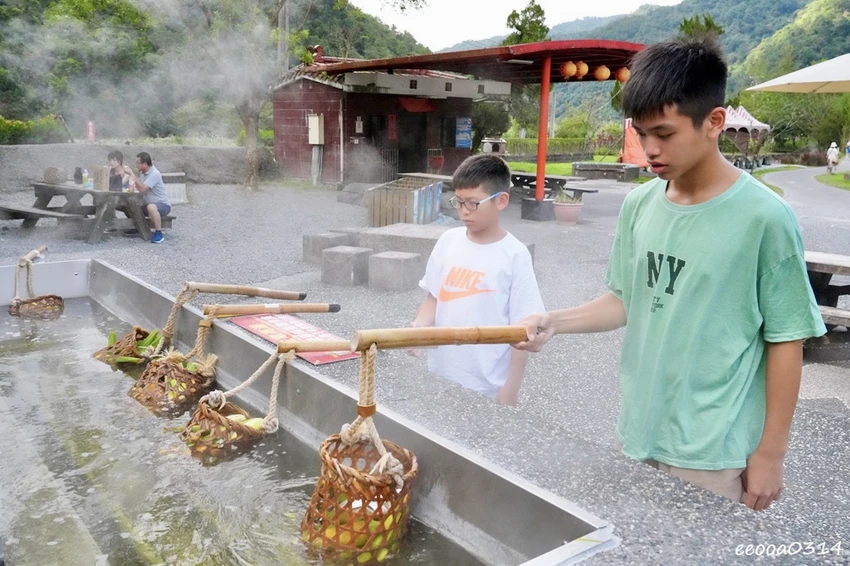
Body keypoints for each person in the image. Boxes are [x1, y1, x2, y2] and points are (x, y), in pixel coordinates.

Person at [515, 38, 826, 510]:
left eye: (664, 133)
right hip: (641, 427)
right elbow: (624, 300)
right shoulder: (640, 204)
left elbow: (787, 338)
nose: (650, 150)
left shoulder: (765, 217)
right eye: (641, 134)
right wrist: (553, 320)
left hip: (711, 447)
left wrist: (770, 454)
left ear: (714, 123)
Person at [411, 154, 544, 406]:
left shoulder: (514, 255)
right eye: (458, 202)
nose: (463, 211)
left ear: (501, 201)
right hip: (440, 373)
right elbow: (433, 298)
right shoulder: (448, 241)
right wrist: (419, 327)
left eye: (473, 203)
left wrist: (510, 389)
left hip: (487, 385)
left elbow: (522, 329)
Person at [126, 152, 171, 244]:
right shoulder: (143, 173)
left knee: (151, 207)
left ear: (145, 164)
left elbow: (143, 188)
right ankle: (137, 227)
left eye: (138, 163)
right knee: (129, 203)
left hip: (162, 205)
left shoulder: (155, 174)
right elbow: (139, 187)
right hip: (147, 204)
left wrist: (132, 175)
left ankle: (158, 233)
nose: (136, 165)